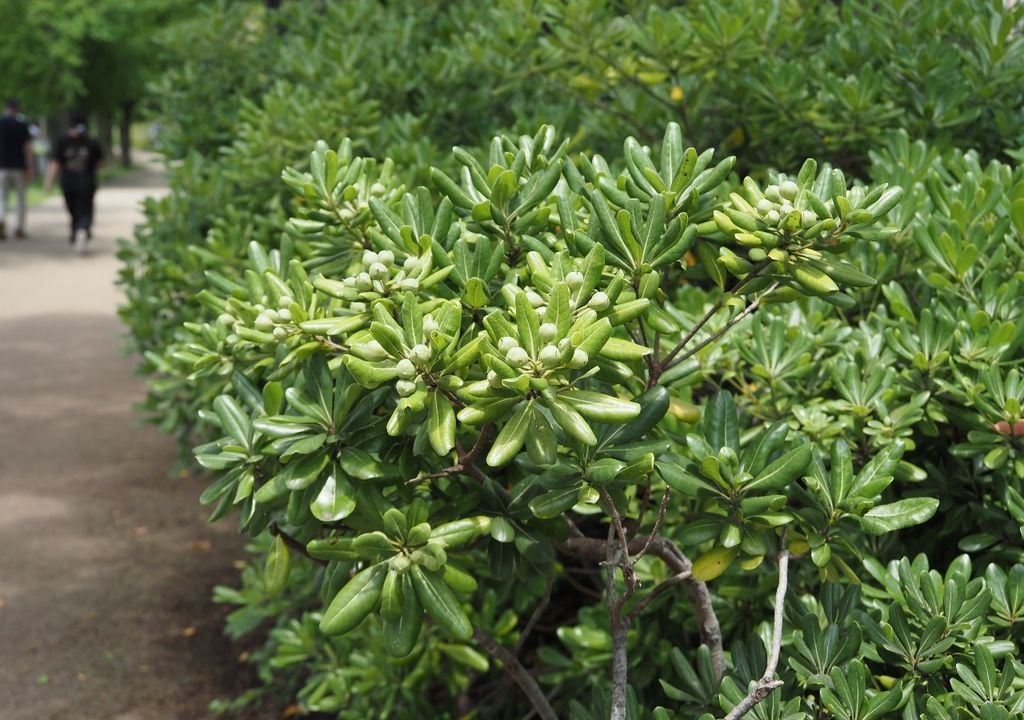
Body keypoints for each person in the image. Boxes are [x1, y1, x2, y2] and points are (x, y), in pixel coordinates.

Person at [44, 114, 103, 255]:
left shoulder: (62, 141)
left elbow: (55, 163)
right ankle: (82, 230)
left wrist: (49, 182)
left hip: (68, 182)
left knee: (72, 209)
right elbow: (100, 164)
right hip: (87, 181)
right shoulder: (92, 142)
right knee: (86, 209)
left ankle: (76, 230)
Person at [0, 99, 35, 240]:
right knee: (20, 199)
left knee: (2, 198)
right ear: (17, 109)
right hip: (19, 166)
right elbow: (27, 148)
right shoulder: (22, 125)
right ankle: (19, 228)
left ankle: (1, 220)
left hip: (1, 166)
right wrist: (31, 166)